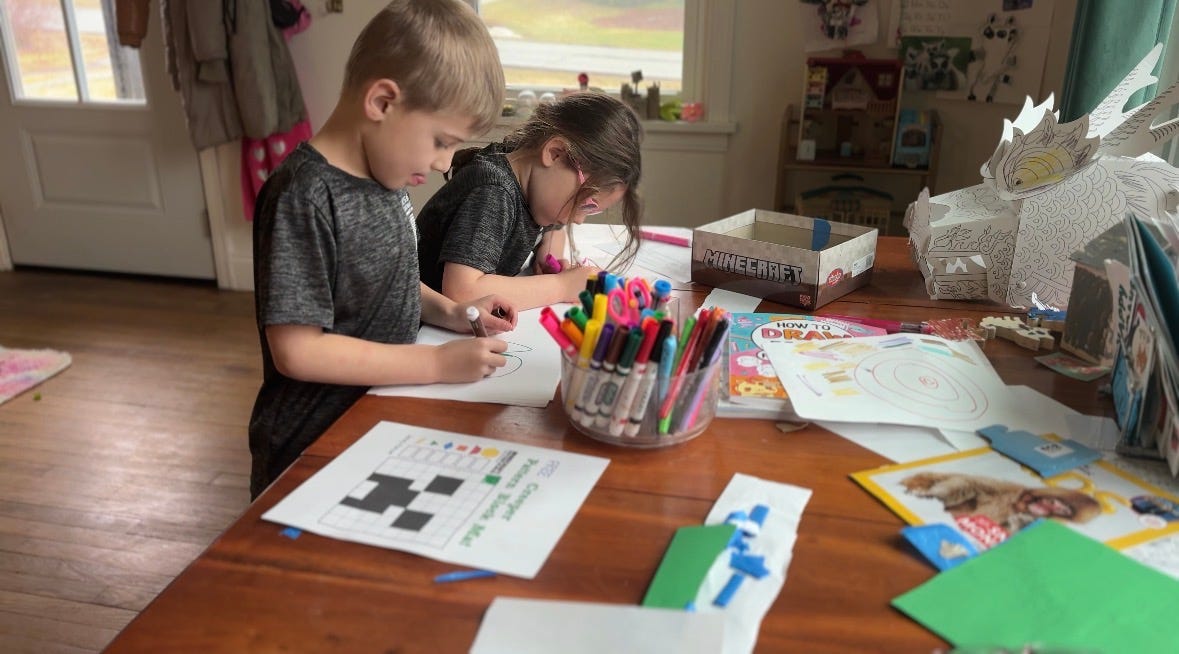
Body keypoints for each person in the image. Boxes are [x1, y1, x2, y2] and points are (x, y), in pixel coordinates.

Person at [249, 0, 515, 499]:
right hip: (311, 449)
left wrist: (452, 312)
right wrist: (435, 365)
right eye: (441, 141)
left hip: (381, 420)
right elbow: (297, 350)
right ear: (383, 102)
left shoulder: (387, 178)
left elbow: (391, 279)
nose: (444, 164)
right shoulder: (303, 196)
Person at [416, 91, 644, 310]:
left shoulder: (535, 180)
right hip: (423, 328)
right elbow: (462, 291)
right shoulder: (494, 191)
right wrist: (561, 286)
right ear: (555, 153)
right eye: (586, 204)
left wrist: (548, 252)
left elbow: (555, 228)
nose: (579, 219)